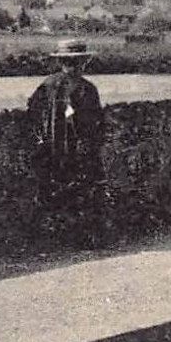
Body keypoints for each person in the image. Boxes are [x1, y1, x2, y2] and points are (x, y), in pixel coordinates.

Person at [27, 38, 107, 241]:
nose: (75, 66)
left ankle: (70, 234)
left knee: (68, 191)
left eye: (76, 62)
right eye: (73, 62)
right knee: (75, 191)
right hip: (68, 149)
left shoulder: (55, 85)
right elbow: (94, 123)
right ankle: (76, 235)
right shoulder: (70, 87)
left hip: (65, 149)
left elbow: (33, 113)